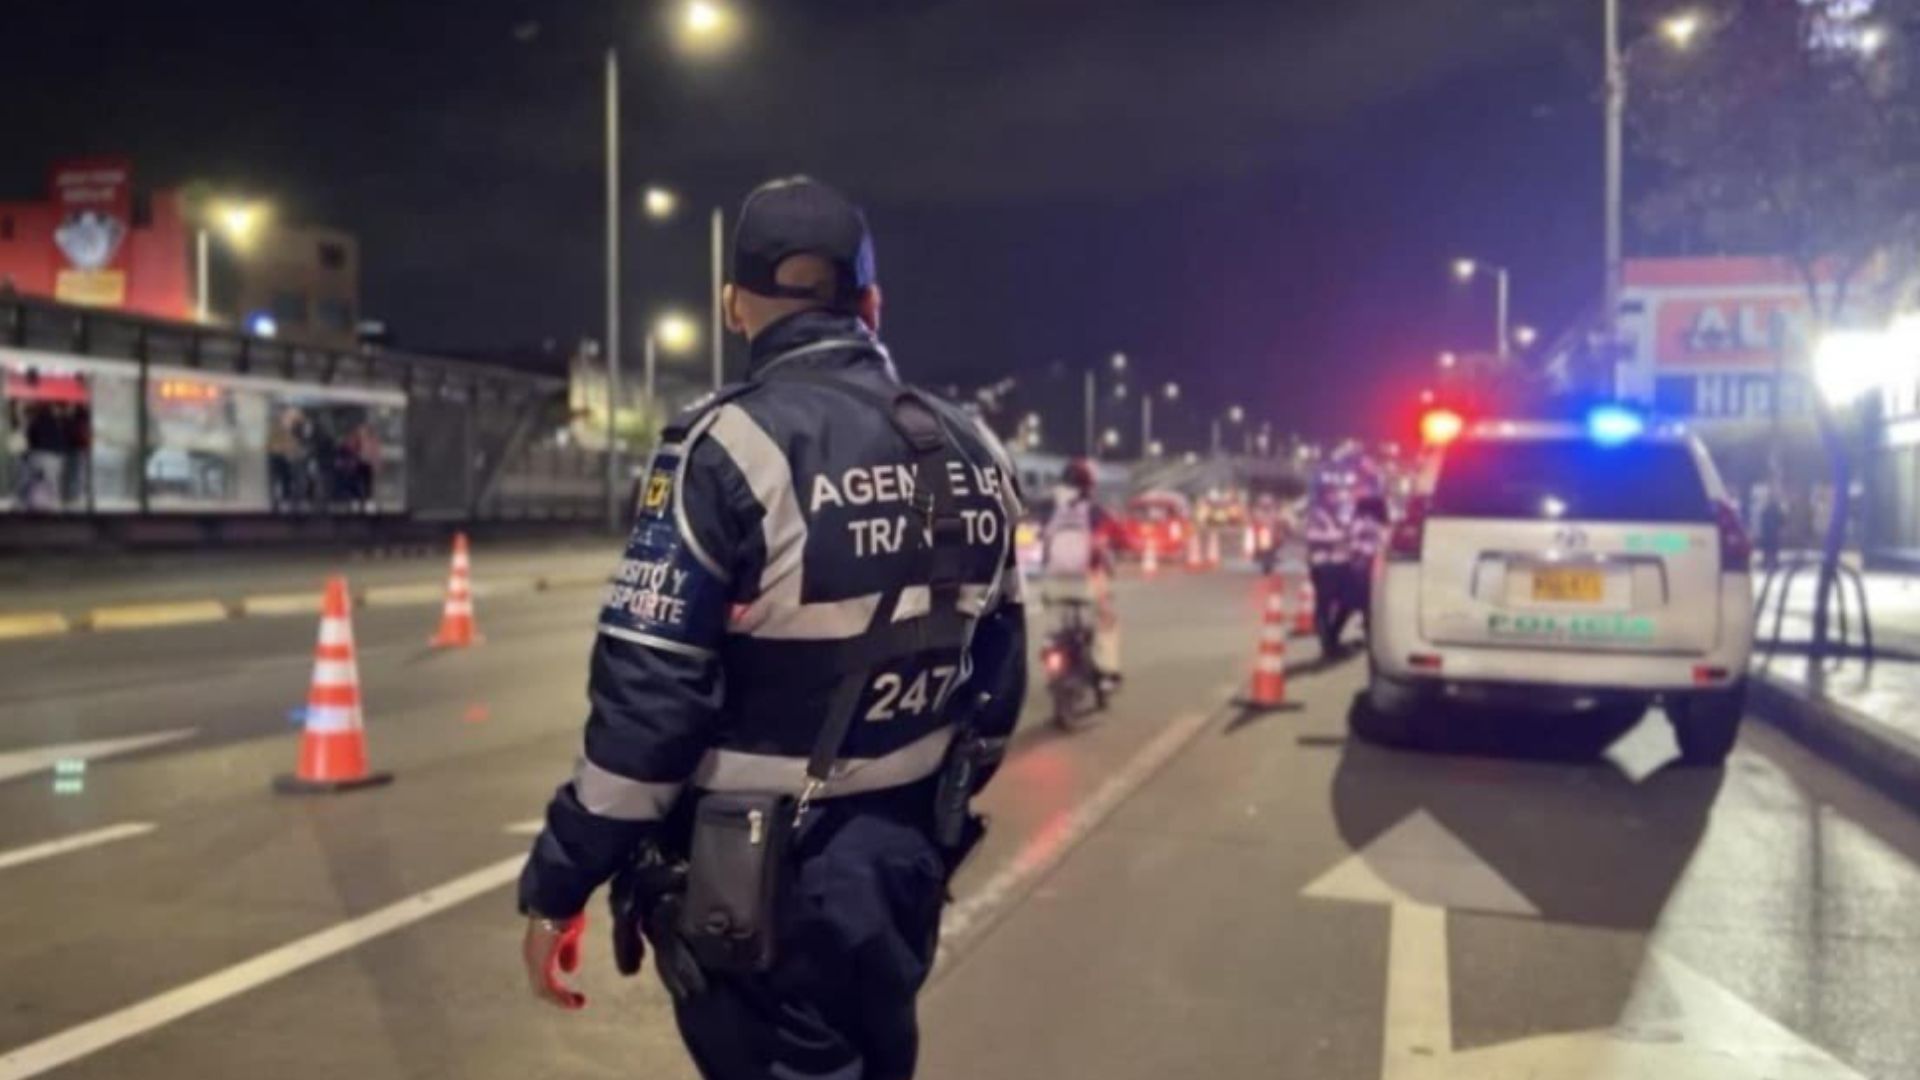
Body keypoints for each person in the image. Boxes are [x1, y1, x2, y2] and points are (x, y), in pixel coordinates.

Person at [516, 177, 1028, 1080]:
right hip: (904, 861)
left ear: (732, 304)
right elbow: (1000, 673)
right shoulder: (971, 447)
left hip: (757, 888)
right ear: (870, 302)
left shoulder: (726, 449)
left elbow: (647, 708)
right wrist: (920, 810)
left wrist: (562, 884)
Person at [1040, 458, 1123, 684]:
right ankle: (1107, 672)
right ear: (1089, 485)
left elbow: (1041, 540)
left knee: (1054, 625)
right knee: (1106, 620)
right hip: (1086, 581)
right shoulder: (1094, 510)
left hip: (1052, 582)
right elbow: (1115, 535)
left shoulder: (1049, 506)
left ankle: (1051, 646)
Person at [1303, 483, 1351, 654]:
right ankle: (1328, 645)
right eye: (1332, 495)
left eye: (1336, 494)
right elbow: (1312, 536)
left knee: (1348, 603)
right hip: (1323, 565)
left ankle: (1332, 638)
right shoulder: (1316, 515)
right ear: (1324, 497)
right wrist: (1338, 537)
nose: (1336, 498)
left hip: (1339, 564)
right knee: (1324, 606)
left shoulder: (1337, 515)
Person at [1342, 495, 1389, 640]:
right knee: (1367, 603)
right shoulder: (1371, 523)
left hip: (1363, 564)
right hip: (1368, 564)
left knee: (1360, 603)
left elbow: (1351, 542)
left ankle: (1368, 633)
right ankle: (1370, 635)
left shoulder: (1361, 521)